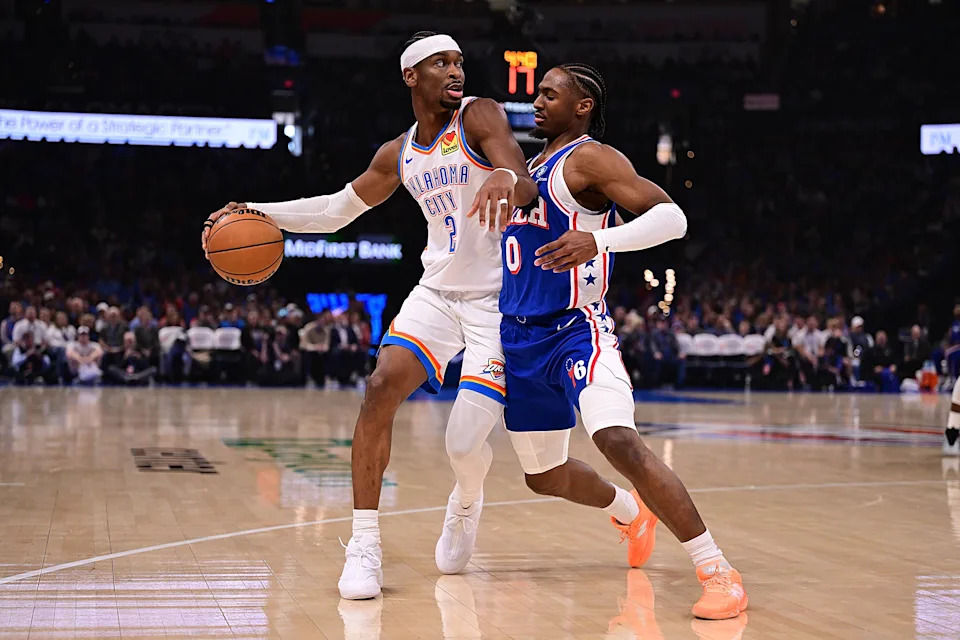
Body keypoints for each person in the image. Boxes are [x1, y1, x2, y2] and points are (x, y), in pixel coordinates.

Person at [201, 31, 538, 600]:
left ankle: (466, 500)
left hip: (494, 303)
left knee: (462, 445)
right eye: (441, 63)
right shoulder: (398, 153)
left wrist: (508, 177)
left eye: (459, 61)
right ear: (411, 76)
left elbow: (523, 180)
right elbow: (336, 211)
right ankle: (364, 546)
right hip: (436, 293)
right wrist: (261, 212)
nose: (456, 71)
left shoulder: (480, 116)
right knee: (379, 386)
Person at [493, 63, 747, 620]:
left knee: (618, 440)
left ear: (582, 106)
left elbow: (672, 219)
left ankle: (718, 570)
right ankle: (632, 512)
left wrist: (598, 240)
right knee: (542, 477)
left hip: (577, 330)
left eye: (549, 94)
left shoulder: (588, 158)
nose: (537, 102)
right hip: (520, 338)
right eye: (536, 95)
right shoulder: (528, 169)